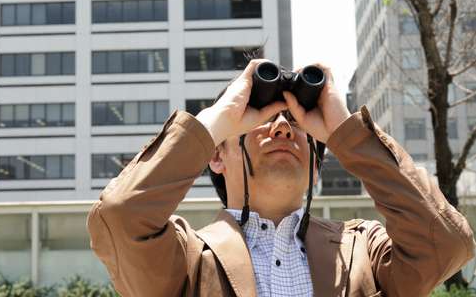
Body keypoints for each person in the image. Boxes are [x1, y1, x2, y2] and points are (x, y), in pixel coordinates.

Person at [87, 59, 475, 296]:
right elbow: (120, 217)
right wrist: (213, 122)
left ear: (316, 165)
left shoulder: (365, 252)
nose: (283, 129)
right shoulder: (184, 257)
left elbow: (447, 241)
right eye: (262, 120)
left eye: (294, 122)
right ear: (216, 156)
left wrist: (347, 133)